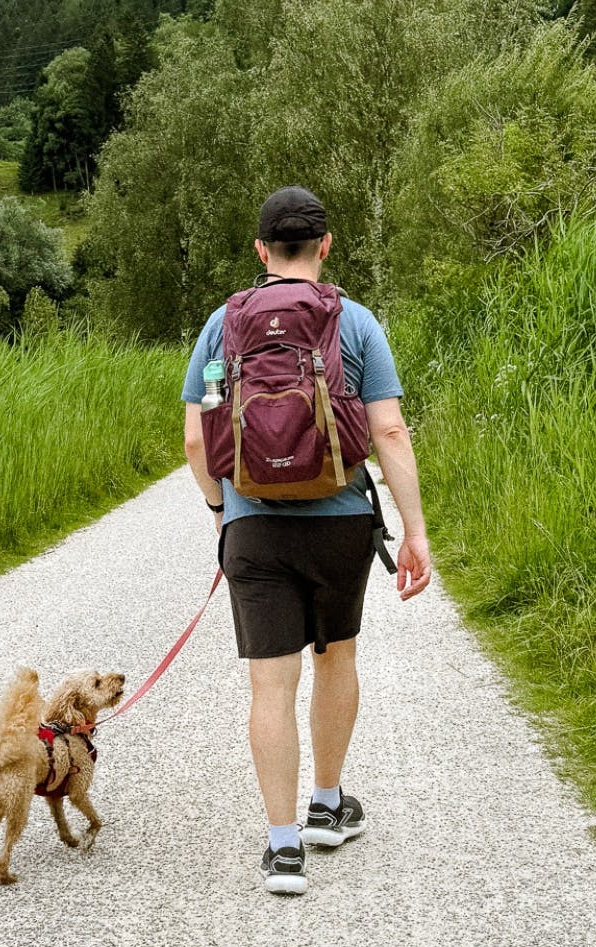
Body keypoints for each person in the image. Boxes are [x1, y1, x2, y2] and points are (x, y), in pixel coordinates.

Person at [181, 186, 433, 895]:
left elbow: (198, 436)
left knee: (270, 682)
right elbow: (387, 432)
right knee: (336, 656)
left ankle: (283, 846)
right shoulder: (354, 322)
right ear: (326, 245)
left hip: (253, 525)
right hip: (340, 521)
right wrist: (414, 532)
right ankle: (328, 805)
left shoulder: (220, 326)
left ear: (261, 250)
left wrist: (219, 509)